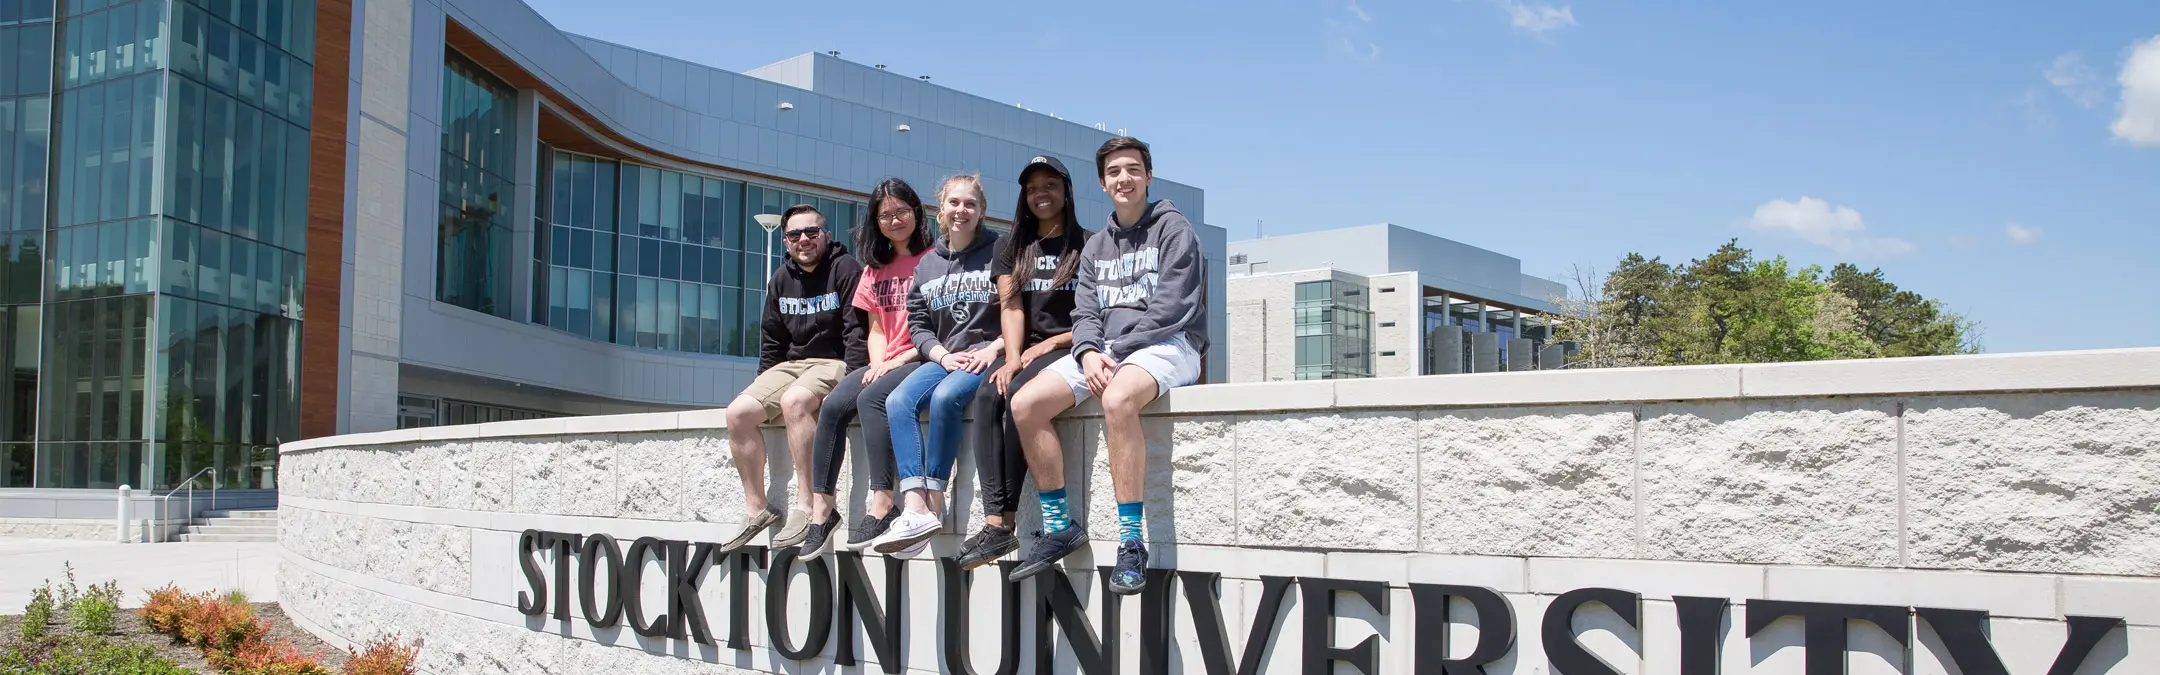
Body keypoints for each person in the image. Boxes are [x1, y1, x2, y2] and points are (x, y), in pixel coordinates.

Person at [1008, 137, 1208, 595]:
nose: (1124, 178)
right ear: (1102, 183)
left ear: (1148, 176)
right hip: (1109, 350)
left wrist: (1114, 353)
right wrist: (1089, 351)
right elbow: (1084, 313)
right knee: (1026, 403)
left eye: (1133, 169)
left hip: (1169, 343)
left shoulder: (1175, 231)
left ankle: (1132, 542)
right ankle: (1060, 526)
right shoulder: (1097, 246)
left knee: (1117, 399)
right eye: (1115, 171)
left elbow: (1173, 306)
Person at [954, 156, 1087, 570]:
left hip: (1069, 346)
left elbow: (1098, 313)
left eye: (1050, 185)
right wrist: (1011, 357)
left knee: (1013, 396)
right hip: (1026, 348)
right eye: (1032, 188)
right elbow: (1011, 307)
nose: (1041, 194)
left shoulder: (1089, 243)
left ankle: (1003, 521)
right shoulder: (1012, 247)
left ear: (1066, 192)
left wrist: (1052, 343)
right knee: (988, 394)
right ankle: (997, 521)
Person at [863, 174, 1005, 555]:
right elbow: (919, 324)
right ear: (940, 210)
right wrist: (940, 354)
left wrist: (995, 348)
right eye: (954, 203)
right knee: (897, 400)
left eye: (970, 204)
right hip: (944, 358)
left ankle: (935, 497)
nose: (962, 211)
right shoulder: (927, 265)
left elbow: (1020, 310)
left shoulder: (1001, 251)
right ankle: (915, 504)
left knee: (945, 399)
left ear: (982, 211)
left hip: (985, 358)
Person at [797, 178, 934, 560]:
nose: (894, 220)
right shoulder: (875, 268)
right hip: (885, 358)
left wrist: (892, 363)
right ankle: (822, 512)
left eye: (901, 211)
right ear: (876, 221)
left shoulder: (936, 258)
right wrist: (877, 362)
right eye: (885, 214)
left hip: (920, 357)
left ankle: (883, 500)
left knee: (873, 397)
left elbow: (937, 328)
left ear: (917, 212)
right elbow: (875, 327)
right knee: (832, 406)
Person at [716, 204, 864, 552]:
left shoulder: (845, 268)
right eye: (795, 235)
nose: (804, 240)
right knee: (738, 412)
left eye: (812, 233)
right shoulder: (781, 279)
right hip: (793, 365)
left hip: (835, 361)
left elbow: (857, 331)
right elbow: (772, 341)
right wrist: (761, 389)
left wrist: (853, 383)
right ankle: (757, 507)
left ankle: (810, 505)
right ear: (785, 242)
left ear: (826, 235)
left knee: (794, 401)